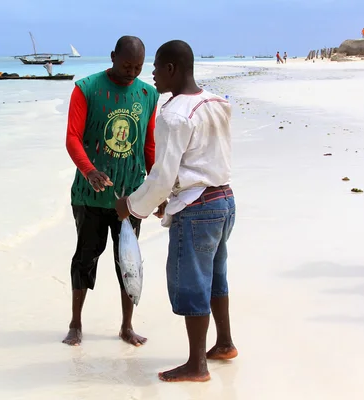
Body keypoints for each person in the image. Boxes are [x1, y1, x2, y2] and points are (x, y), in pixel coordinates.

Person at [116, 39, 237, 382]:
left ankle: (197, 365)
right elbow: (201, 160)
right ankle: (224, 343)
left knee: (192, 283)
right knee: (216, 275)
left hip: (197, 211)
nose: (151, 74)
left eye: (155, 67)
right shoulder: (215, 102)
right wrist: (170, 198)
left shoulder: (173, 114)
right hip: (224, 200)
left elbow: (163, 176)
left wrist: (131, 206)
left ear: (171, 69)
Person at [63, 35, 161, 347]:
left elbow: (149, 146)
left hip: (129, 198)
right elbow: (72, 138)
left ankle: (126, 327)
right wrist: (89, 170)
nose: (132, 72)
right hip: (89, 196)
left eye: (138, 67)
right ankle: (76, 323)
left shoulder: (149, 94)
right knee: (85, 258)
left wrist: (157, 190)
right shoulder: (86, 88)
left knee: (128, 262)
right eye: (126, 65)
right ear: (112, 57)